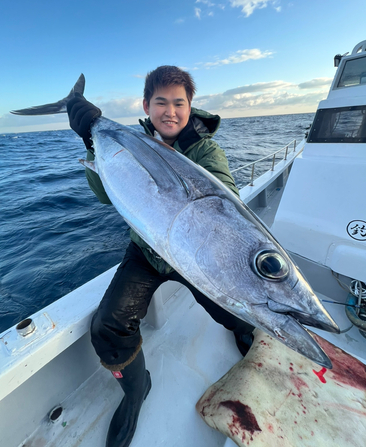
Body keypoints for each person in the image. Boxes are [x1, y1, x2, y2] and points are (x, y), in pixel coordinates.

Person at [67, 66, 255, 447]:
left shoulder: (204, 149)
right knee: (108, 326)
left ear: (190, 107)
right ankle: (136, 392)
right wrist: (92, 140)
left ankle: (245, 333)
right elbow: (106, 194)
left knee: (236, 309)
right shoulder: (127, 143)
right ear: (146, 106)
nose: (170, 111)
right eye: (161, 103)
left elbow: (228, 201)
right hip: (147, 252)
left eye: (179, 103)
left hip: (195, 257)